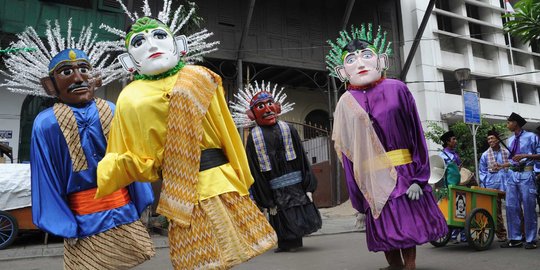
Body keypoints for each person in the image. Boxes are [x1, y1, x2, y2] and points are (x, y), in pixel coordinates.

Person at [96, 5, 277, 269]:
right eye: (138, 42)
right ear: (128, 61)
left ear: (178, 45)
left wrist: (243, 177)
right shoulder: (130, 97)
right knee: (200, 261)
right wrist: (112, 172)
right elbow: (127, 152)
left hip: (218, 179)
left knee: (230, 254)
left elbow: (227, 131)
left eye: (159, 36)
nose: (150, 45)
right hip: (177, 188)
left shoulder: (199, 77)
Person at [0, 20, 155, 269]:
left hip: (123, 211)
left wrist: (140, 199)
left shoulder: (113, 111)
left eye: (84, 69)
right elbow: (45, 178)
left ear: (96, 77)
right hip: (82, 218)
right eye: (66, 72)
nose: (78, 77)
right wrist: (64, 222)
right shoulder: (46, 123)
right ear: (50, 85)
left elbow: (132, 157)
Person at [327, 23, 447, 270]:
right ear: (342, 71)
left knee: (406, 223)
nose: (360, 64)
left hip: (402, 173)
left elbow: (416, 134)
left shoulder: (397, 89)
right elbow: (347, 155)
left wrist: (419, 178)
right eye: (351, 60)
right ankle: (394, 266)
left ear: (380, 60)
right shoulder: (345, 104)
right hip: (371, 178)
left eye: (366, 56)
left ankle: (409, 266)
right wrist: (358, 199)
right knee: (384, 227)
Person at [231, 81, 322, 252]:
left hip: (295, 182)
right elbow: (254, 169)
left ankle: (296, 240)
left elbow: (302, 158)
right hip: (273, 186)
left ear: (277, 107)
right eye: (260, 107)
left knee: (297, 209)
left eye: (270, 104)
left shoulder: (289, 129)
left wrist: (308, 184)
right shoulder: (254, 137)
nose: (267, 110)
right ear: (252, 114)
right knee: (278, 212)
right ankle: (285, 242)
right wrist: (263, 196)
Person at [501, 112, 539, 249]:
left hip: (527, 174)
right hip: (512, 175)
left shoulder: (532, 137)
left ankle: (531, 239)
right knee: (511, 207)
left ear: (515, 123)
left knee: (529, 207)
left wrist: (524, 155)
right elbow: (511, 160)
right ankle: (515, 238)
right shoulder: (510, 140)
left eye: (509, 122)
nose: (507, 125)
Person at [479, 129, 510, 242]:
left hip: (508, 184)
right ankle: (501, 234)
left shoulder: (506, 152)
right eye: (488, 139)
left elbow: (512, 166)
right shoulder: (485, 155)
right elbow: (482, 172)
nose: (490, 140)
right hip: (493, 185)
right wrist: (485, 186)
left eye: (492, 138)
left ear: (498, 139)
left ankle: (518, 234)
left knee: (513, 208)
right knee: (496, 212)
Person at [439, 130, 466, 243]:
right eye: (453, 139)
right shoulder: (442, 155)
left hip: (456, 185)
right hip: (447, 186)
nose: (456, 141)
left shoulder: (455, 154)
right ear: (447, 142)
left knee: (459, 208)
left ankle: (458, 234)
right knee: (451, 209)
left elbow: (458, 169)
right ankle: (453, 234)